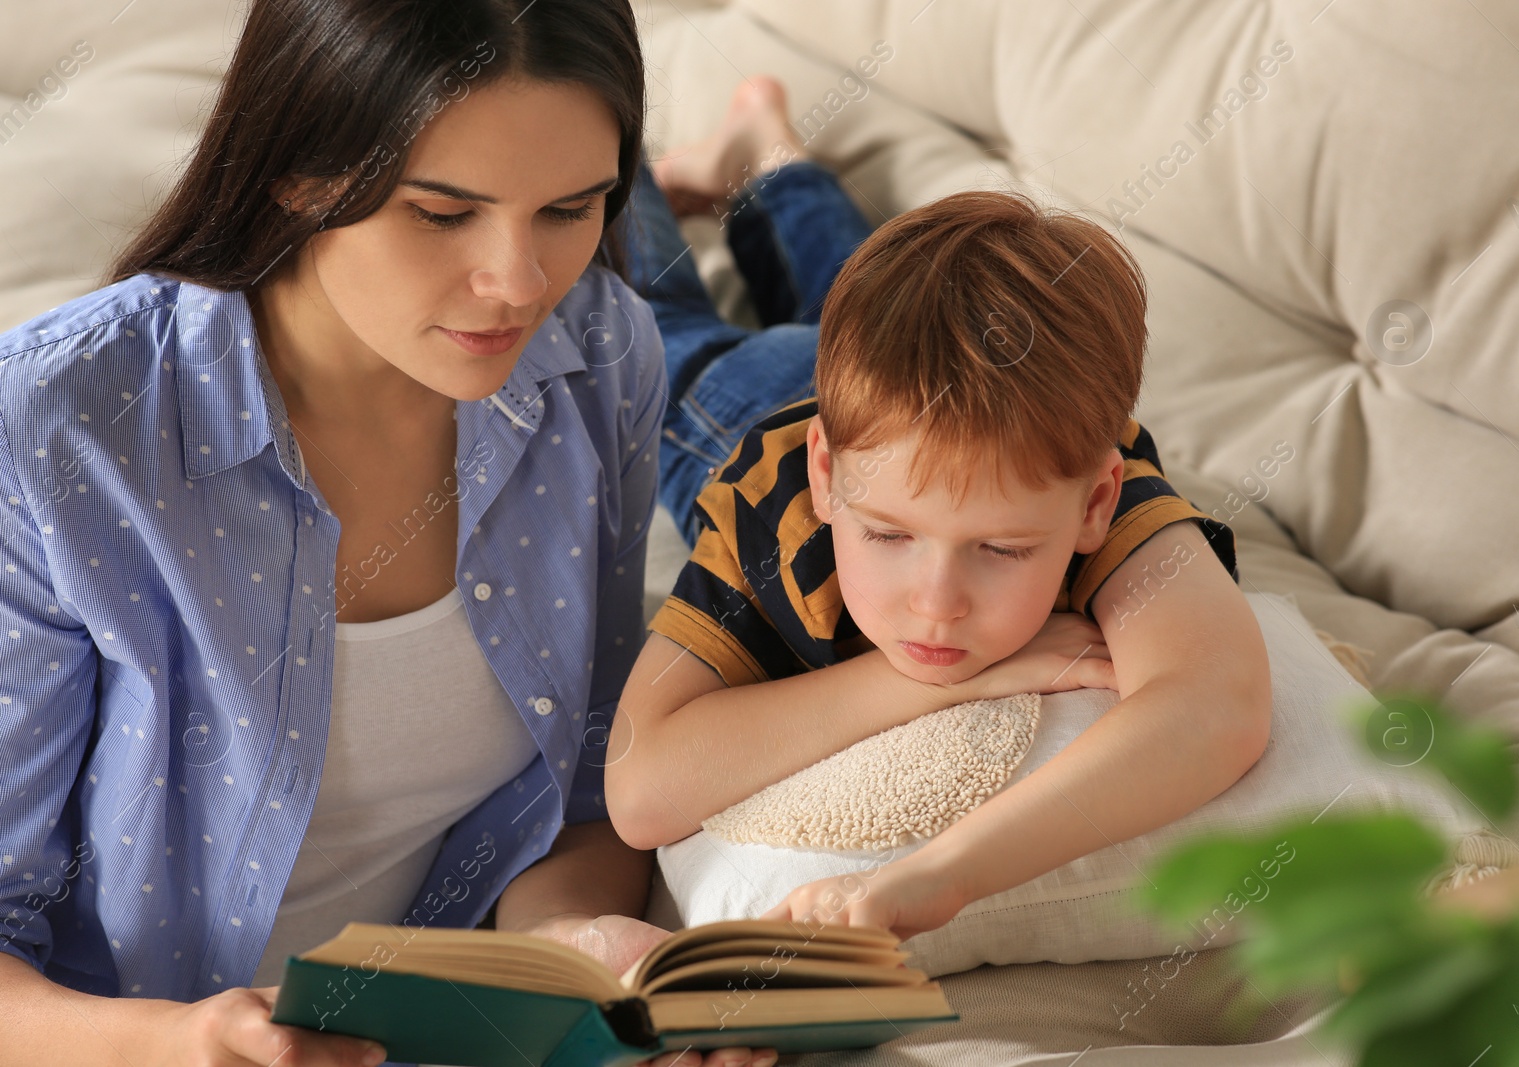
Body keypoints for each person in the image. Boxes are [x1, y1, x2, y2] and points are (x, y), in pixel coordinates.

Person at [0, 3, 768, 1067]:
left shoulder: (597, 350)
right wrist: (180, 1041)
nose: (519, 284)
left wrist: (574, 961)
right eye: (444, 214)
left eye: (570, 208)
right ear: (298, 170)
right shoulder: (54, 432)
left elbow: (582, 783)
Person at [605, 78, 1274, 937]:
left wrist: (944, 875)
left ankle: (762, 144)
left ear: (1095, 504)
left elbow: (1214, 706)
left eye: (999, 550)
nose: (936, 600)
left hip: (888, 422)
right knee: (657, 310)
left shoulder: (1088, 479)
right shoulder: (773, 502)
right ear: (826, 477)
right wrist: (925, 678)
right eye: (886, 536)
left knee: (845, 284)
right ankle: (722, 159)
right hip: (729, 408)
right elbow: (638, 786)